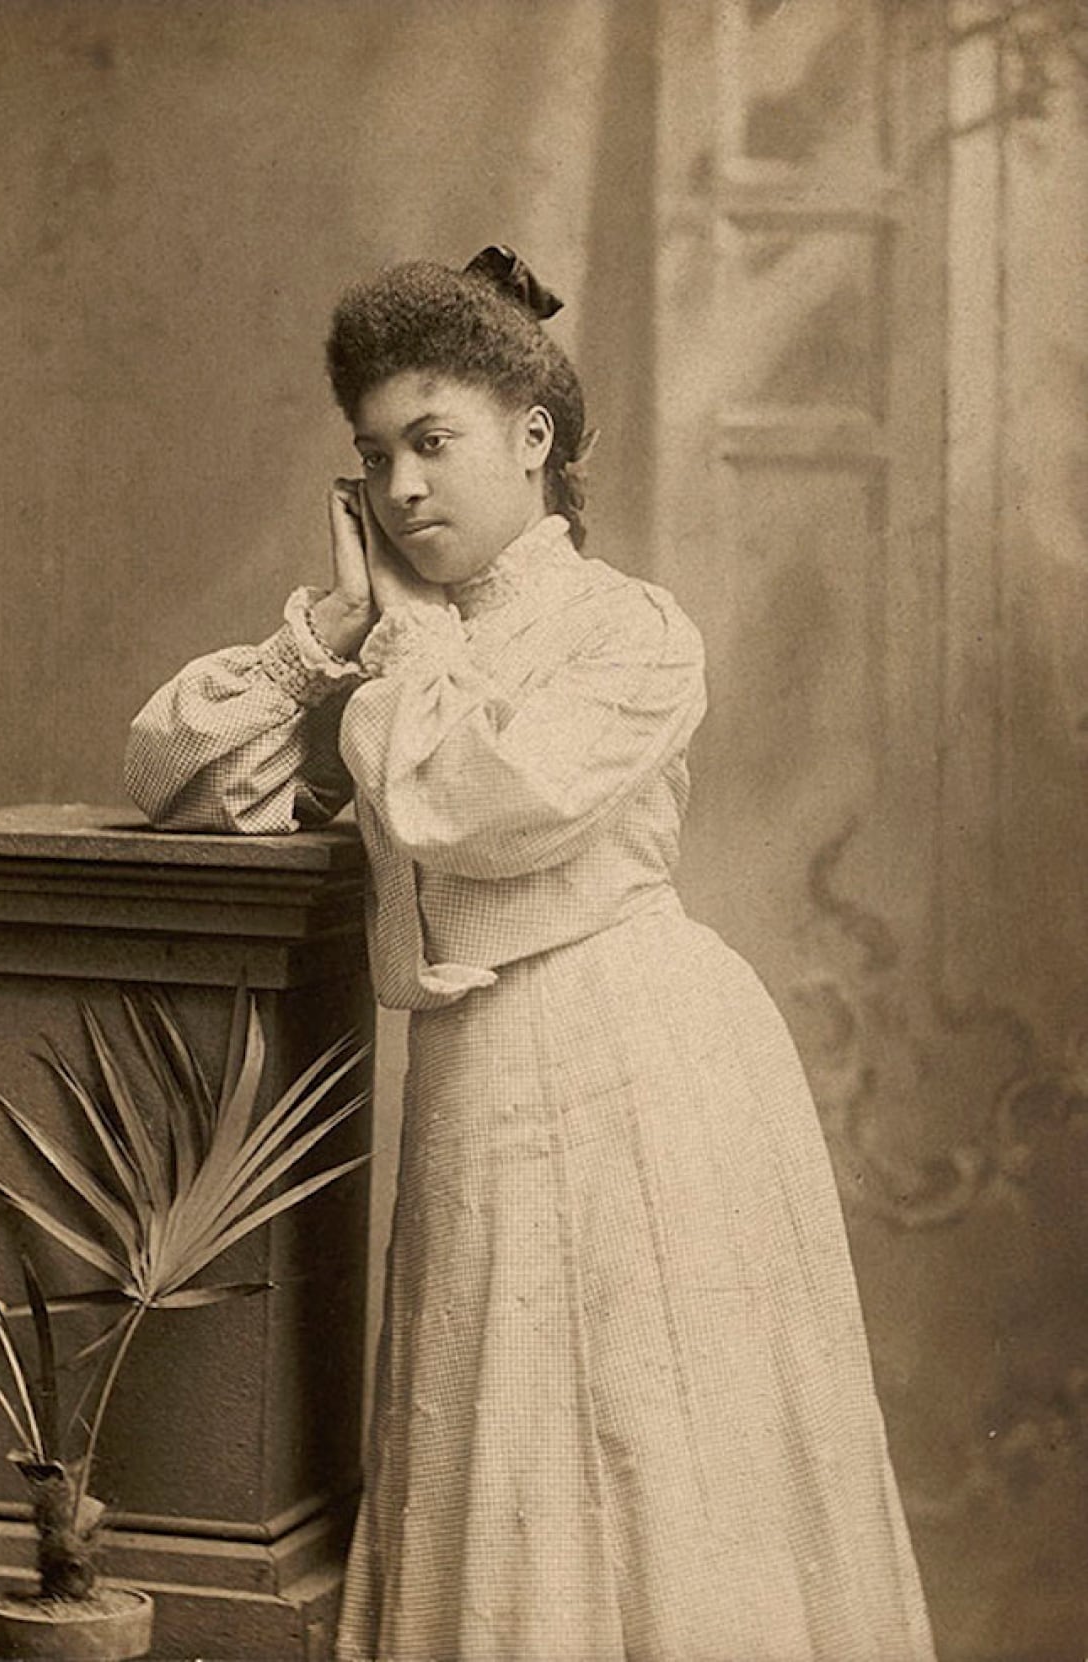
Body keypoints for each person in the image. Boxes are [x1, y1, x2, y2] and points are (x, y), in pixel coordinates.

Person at [124, 247, 936, 1662]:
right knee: (498, 1448)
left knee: (651, 1447)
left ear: (533, 437)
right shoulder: (392, 648)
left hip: (642, 1061)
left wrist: (395, 646)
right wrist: (322, 644)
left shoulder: (630, 635)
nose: (404, 489)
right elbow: (175, 775)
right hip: (481, 1075)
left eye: (433, 442)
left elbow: (470, 810)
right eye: (376, 457)